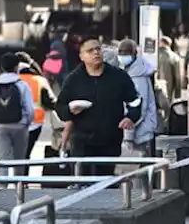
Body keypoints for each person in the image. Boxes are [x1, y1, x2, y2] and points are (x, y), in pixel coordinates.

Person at [55, 35, 142, 176]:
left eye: (98, 49)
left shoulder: (118, 76)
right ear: (81, 56)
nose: (96, 53)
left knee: (106, 182)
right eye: (90, 51)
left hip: (110, 139)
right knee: (83, 182)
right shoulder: (74, 79)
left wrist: (131, 117)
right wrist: (70, 111)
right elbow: (60, 107)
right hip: (82, 140)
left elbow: (135, 100)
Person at [0, 53, 36, 172]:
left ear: (2, 67)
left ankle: (3, 186)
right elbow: (30, 109)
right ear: (17, 67)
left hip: (0, 125)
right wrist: (27, 122)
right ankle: (19, 185)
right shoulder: (22, 85)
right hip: (20, 125)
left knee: (4, 158)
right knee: (20, 159)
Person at [117, 39, 159, 157]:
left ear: (134, 54)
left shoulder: (138, 77)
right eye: (120, 52)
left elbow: (140, 106)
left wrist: (128, 134)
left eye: (126, 52)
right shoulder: (129, 71)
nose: (122, 55)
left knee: (143, 170)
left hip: (141, 132)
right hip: (136, 131)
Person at [16, 57, 56, 158]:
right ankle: (23, 171)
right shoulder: (40, 80)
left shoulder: (12, 80)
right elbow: (51, 102)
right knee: (26, 153)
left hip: (15, 122)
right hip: (35, 122)